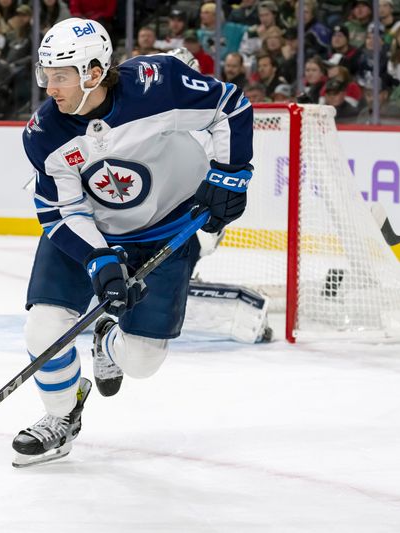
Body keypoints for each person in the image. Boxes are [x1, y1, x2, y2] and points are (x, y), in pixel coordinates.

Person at [14, 18, 253, 467]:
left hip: (165, 228)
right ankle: (61, 417)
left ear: (92, 72)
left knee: (142, 361)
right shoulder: (45, 133)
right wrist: (98, 260)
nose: (50, 87)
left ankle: (107, 343)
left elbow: (231, 106)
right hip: (90, 231)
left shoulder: (156, 86)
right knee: (43, 325)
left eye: (59, 76)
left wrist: (231, 174)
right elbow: (57, 212)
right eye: (45, 74)